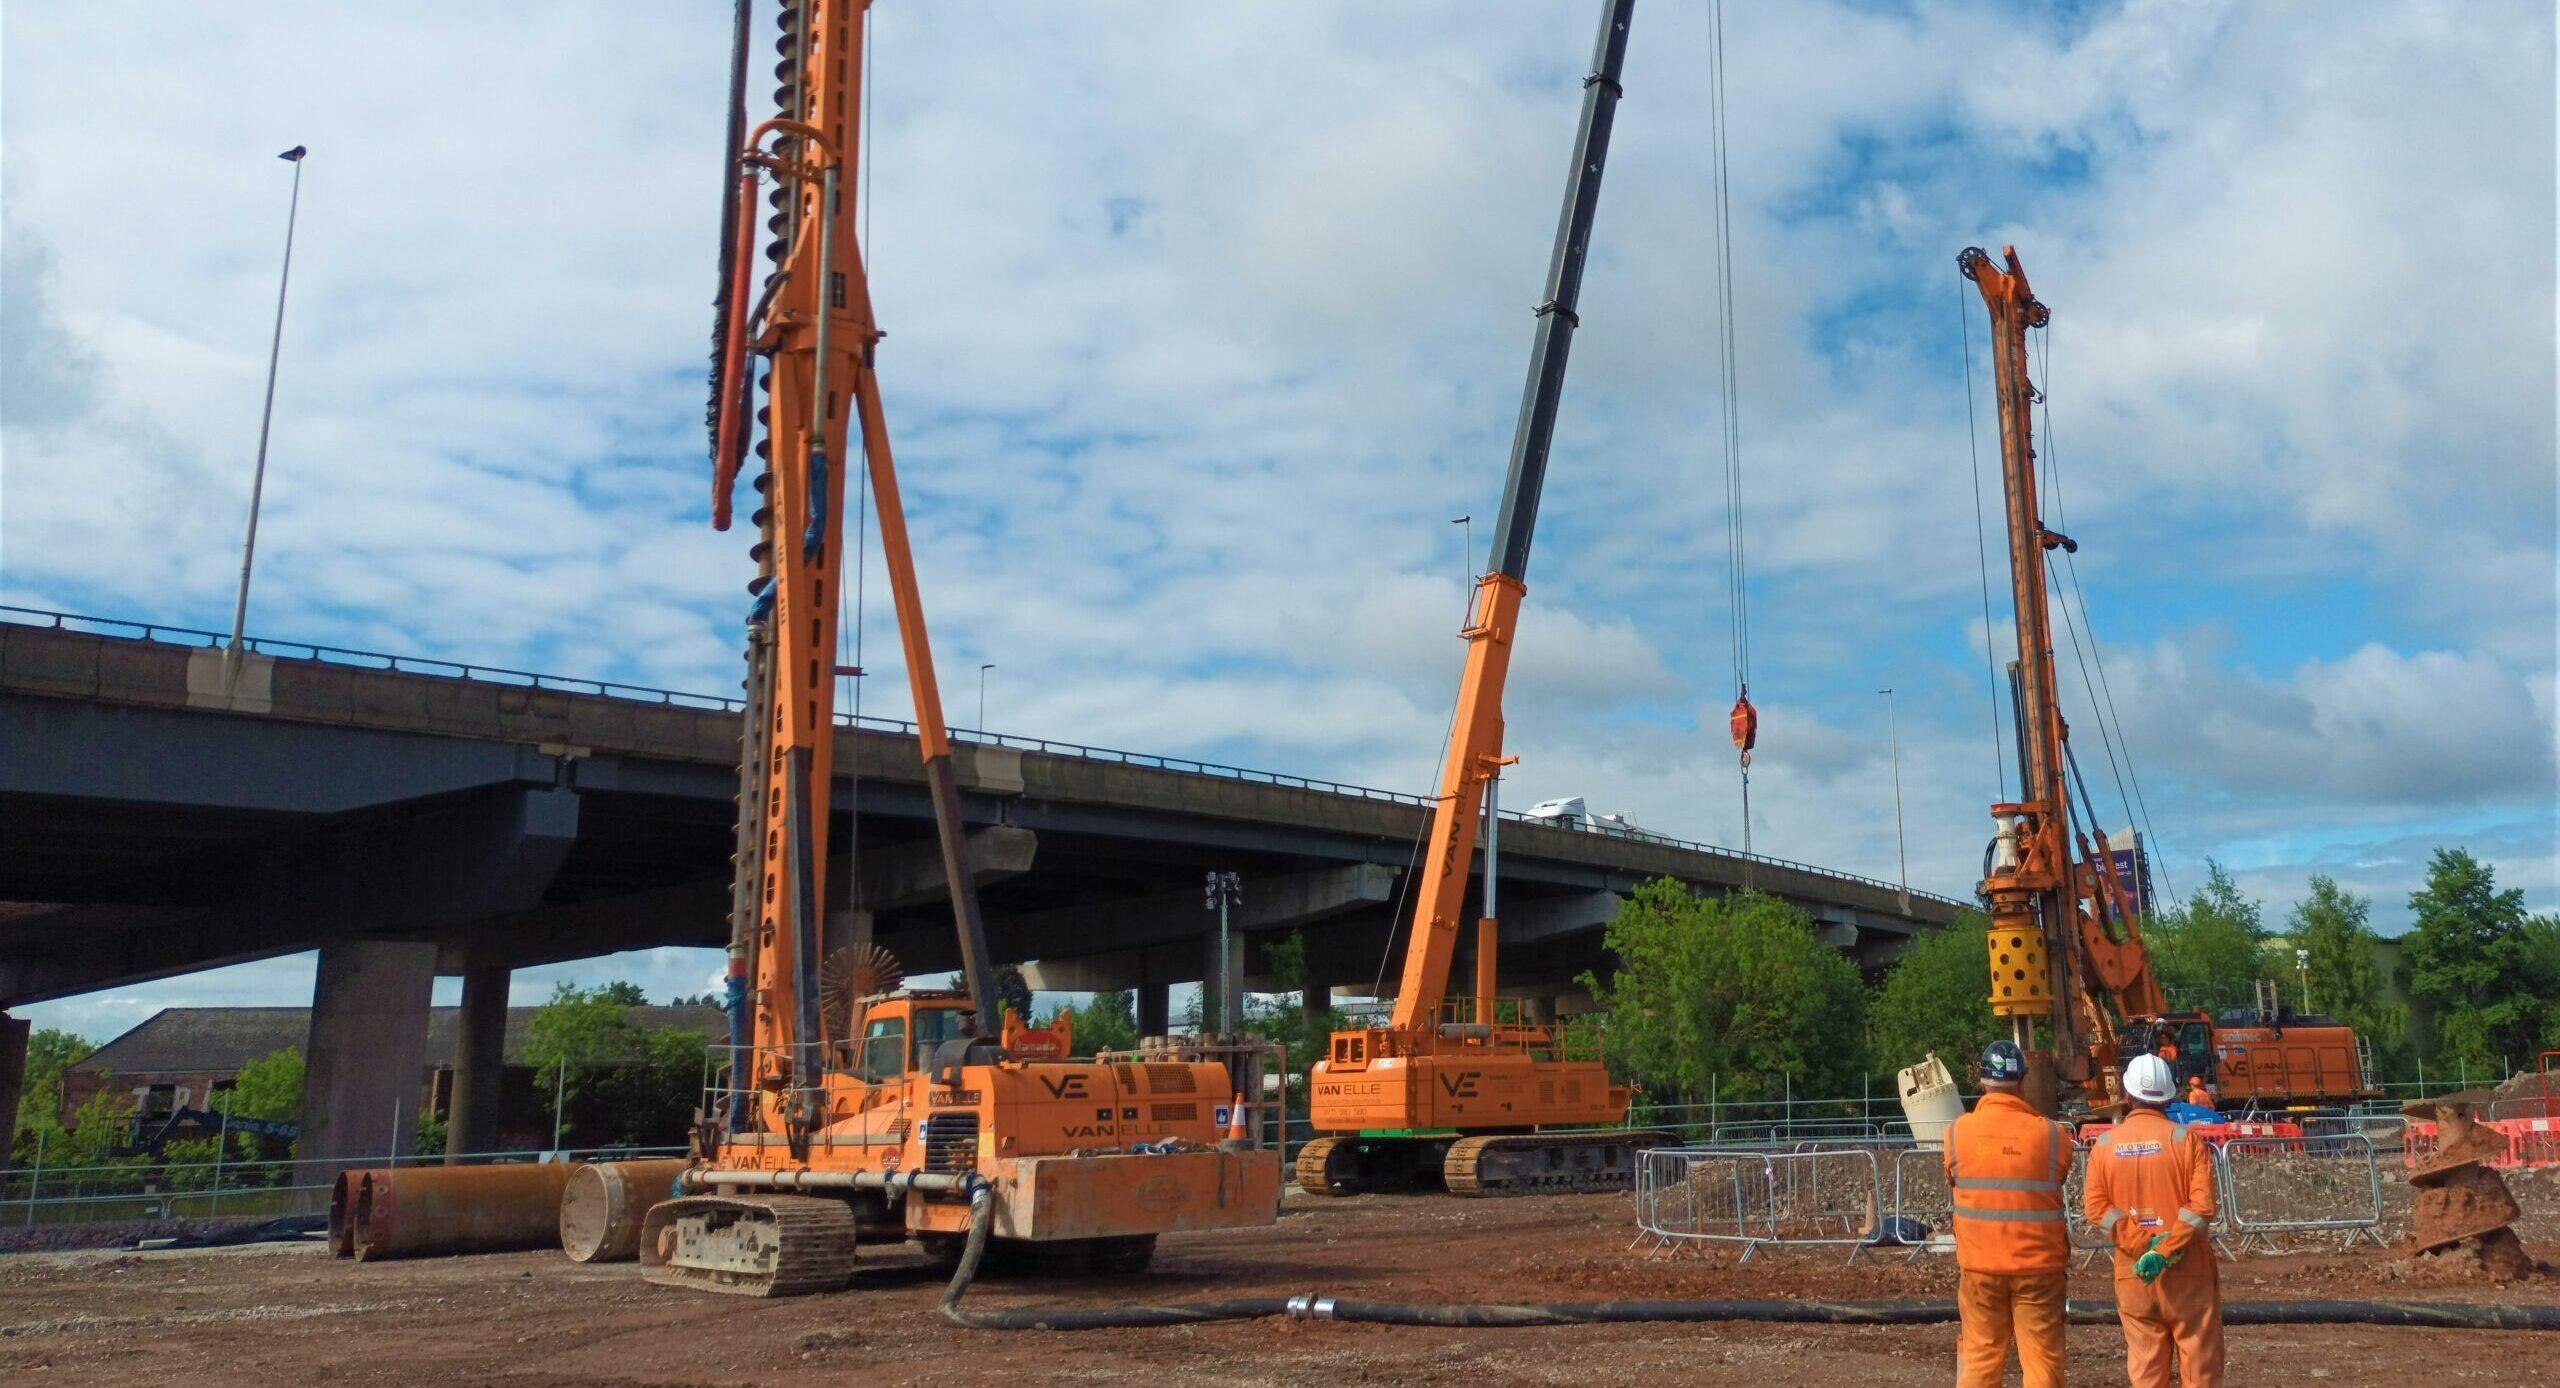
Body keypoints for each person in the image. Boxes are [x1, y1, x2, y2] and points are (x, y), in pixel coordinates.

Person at [2085, 1053, 2225, 1388]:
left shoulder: (2104, 1145)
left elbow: (2095, 1208)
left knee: (2146, 1371)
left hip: (2135, 1276)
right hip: (2187, 1274)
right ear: (2168, 1096)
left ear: (2128, 1094)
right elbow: (2202, 1207)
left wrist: (2141, 1246)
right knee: (2199, 1367)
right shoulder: (2185, 1141)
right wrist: (2165, 1249)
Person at [1946, 1039, 2075, 1388]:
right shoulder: (2053, 1135)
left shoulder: (1957, 1133)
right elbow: (2059, 1174)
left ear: (1983, 1083)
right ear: (2022, 1082)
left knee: (1980, 1360)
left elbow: (1954, 1178)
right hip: (2039, 1268)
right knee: (2042, 1363)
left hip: (1980, 1267)